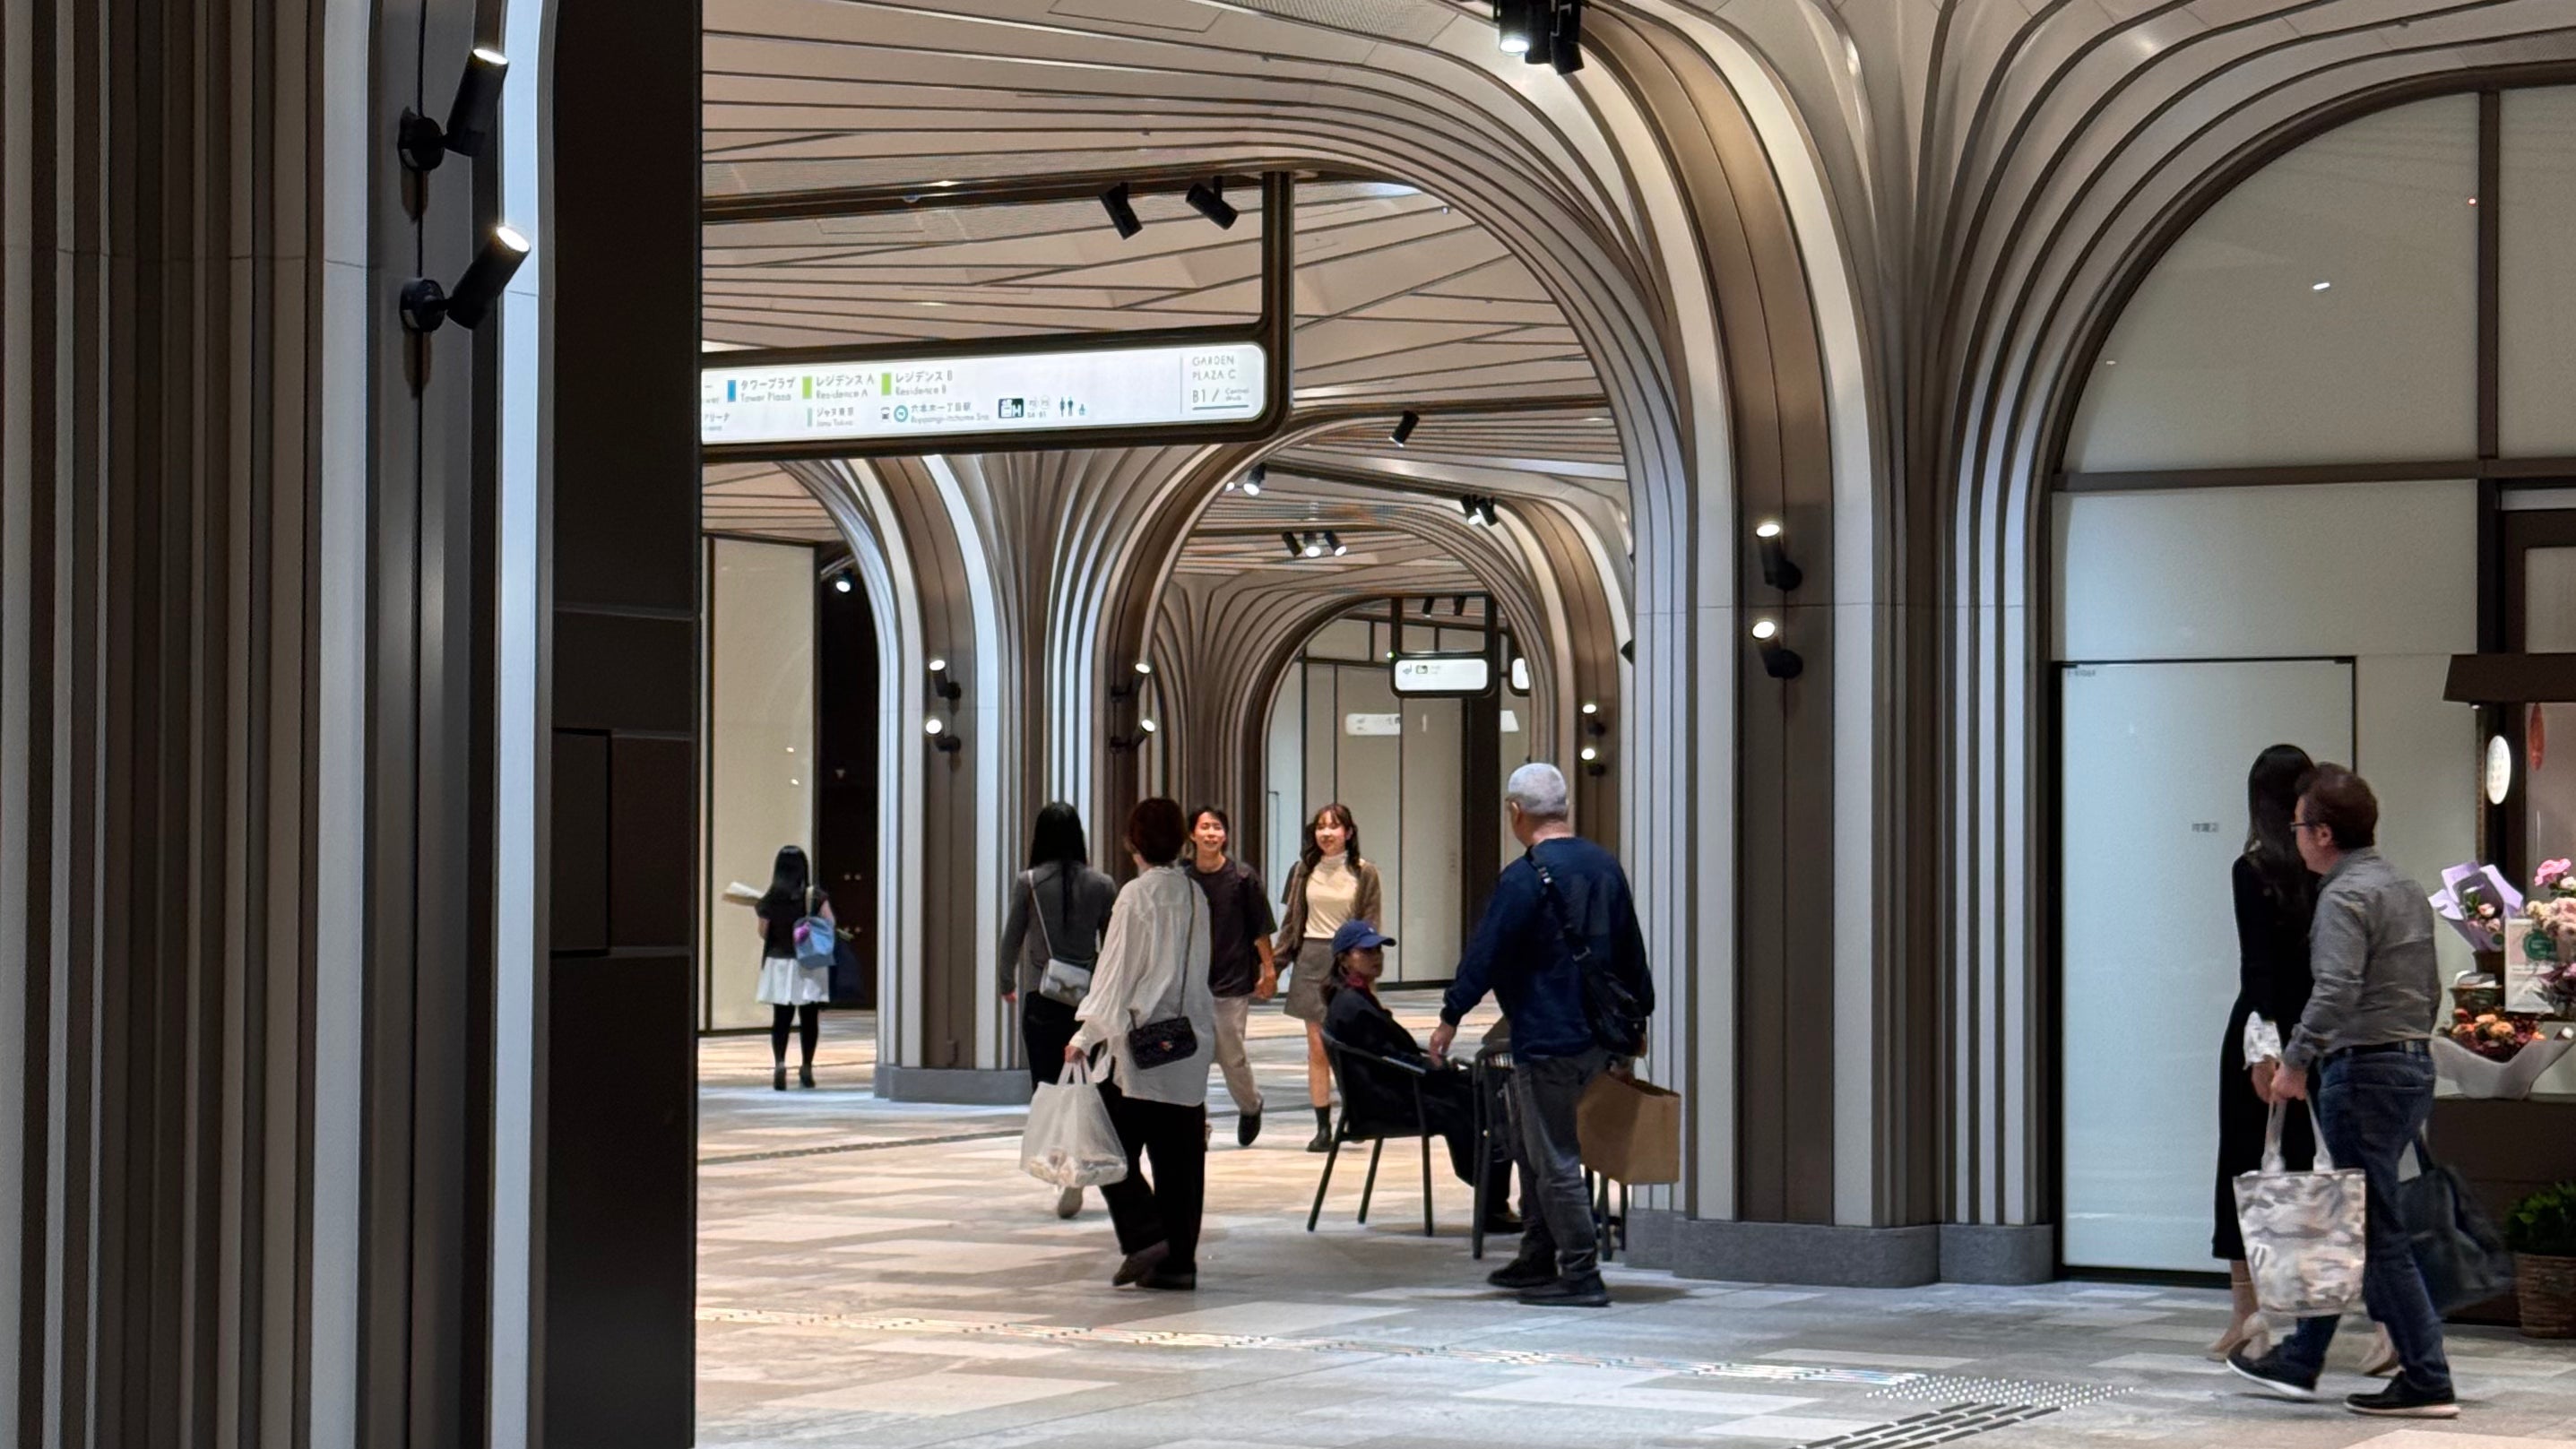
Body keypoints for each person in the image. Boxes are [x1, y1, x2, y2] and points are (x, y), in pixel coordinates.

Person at [2230, 766, 2455, 1419]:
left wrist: (2296, 1060)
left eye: (2300, 825)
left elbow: (2334, 990)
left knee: (2375, 1230)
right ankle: (2303, 1357)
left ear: (2323, 833)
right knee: (2354, 1219)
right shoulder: (2403, 886)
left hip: (2362, 1069)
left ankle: (2427, 1375)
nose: (2294, 835)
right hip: (2409, 1062)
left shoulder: (2343, 896)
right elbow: (2427, 983)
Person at [1431, 763, 1651, 1308]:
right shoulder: (1604, 866)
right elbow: (1631, 950)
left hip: (1547, 1036)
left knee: (1553, 1156)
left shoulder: (1525, 877)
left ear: (1516, 812)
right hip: (1599, 1038)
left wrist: (1450, 1014)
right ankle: (1537, 1253)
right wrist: (1638, 1020)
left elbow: (1487, 952)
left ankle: (1579, 1272)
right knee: (1537, 1148)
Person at [1068, 798, 1215, 1292]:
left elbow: (1115, 973)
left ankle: (1147, 1235)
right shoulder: (1196, 895)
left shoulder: (1136, 896)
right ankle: (1179, 1264)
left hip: (1140, 1049)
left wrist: (1085, 1035)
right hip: (1188, 1046)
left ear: (1132, 841)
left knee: (1101, 1145)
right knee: (1181, 1163)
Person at [2212, 744, 2321, 1358]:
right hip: (2317, 1031)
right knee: (2310, 1170)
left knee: (2243, 1166)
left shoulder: (2250, 868)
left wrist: (2263, 1047)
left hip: (2262, 1033)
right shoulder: (2326, 867)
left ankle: (2245, 1315)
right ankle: (2308, 1317)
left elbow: (2256, 968)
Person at [1320, 920, 1518, 1230]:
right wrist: (1431, 1068)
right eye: (1366, 951)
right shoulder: (1352, 1005)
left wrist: (1433, 1066)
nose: (1376, 957)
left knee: (1478, 1089)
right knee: (1467, 1102)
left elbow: (1385, 1054)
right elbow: (1385, 1058)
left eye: (1378, 951)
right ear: (1344, 958)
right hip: (1386, 1100)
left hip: (1390, 1088)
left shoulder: (1355, 998)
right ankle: (1492, 1191)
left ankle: (1493, 1185)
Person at [999, 801, 1120, 1218]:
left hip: (1042, 996)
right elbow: (1113, 944)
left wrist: (1006, 983)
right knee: (1084, 1087)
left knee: (1048, 1089)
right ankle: (1081, 1164)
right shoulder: (1103, 884)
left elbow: (1011, 938)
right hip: (1087, 1002)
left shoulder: (1029, 882)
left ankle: (1059, 1165)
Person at [1275, 804, 1382, 1152]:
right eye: (1321, 827)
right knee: (1317, 1048)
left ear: (1349, 833)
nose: (1326, 833)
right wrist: (1274, 965)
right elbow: (1292, 922)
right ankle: (1322, 1125)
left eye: (1334, 827)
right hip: (1310, 960)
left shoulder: (1365, 873)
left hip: (1349, 960)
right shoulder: (1303, 871)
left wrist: (1361, 965)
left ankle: (1358, 1112)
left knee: (1350, 1046)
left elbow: (1370, 923)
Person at [1186, 806, 1277, 1145]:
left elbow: (1260, 928)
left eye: (1217, 827)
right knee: (1191, 1058)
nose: (1211, 833)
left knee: (1230, 1055)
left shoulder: (1242, 877)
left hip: (1232, 978)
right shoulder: (1184, 878)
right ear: (1191, 835)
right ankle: (1199, 1126)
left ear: (1225, 835)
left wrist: (1269, 970)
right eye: (1205, 827)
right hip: (1190, 982)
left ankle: (1250, 1104)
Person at [752, 845, 831, 1091]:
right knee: (809, 1018)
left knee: (781, 1018)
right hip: (808, 963)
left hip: (779, 963)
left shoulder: (770, 898)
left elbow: (763, 932)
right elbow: (830, 923)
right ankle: (807, 1066)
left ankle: (780, 1063)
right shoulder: (814, 896)